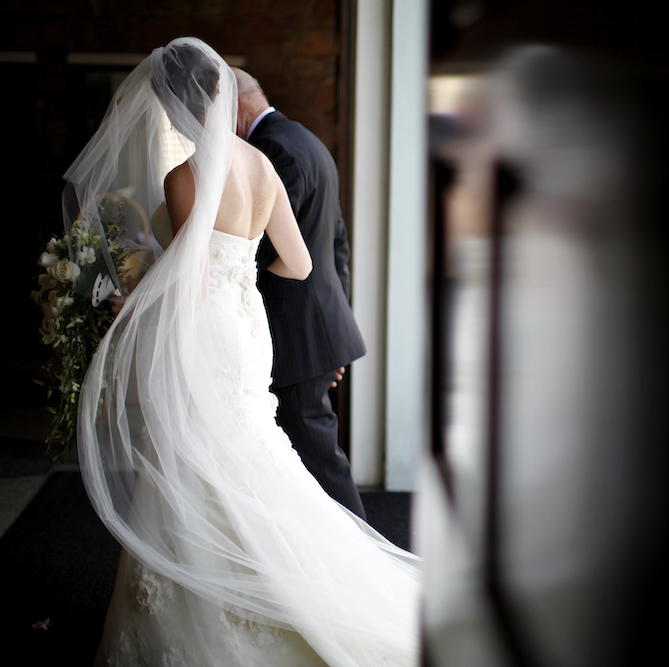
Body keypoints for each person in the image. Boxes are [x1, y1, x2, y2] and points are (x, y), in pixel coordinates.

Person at [72, 37, 420, 666]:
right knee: (248, 451)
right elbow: (300, 261)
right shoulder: (261, 165)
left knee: (196, 456)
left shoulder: (186, 176)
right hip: (247, 329)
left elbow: (190, 281)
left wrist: (130, 301)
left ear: (177, 104)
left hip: (210, 329)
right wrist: (245, 274)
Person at [231, 68, 368, 519]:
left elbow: (252, 252)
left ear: (237, 105)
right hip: (314, 334)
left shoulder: (272, 150)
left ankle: (365, 572)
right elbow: (337, 243)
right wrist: (332, 335)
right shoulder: (306, 140)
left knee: (321, 468)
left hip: (296, 340)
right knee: (306, 467)